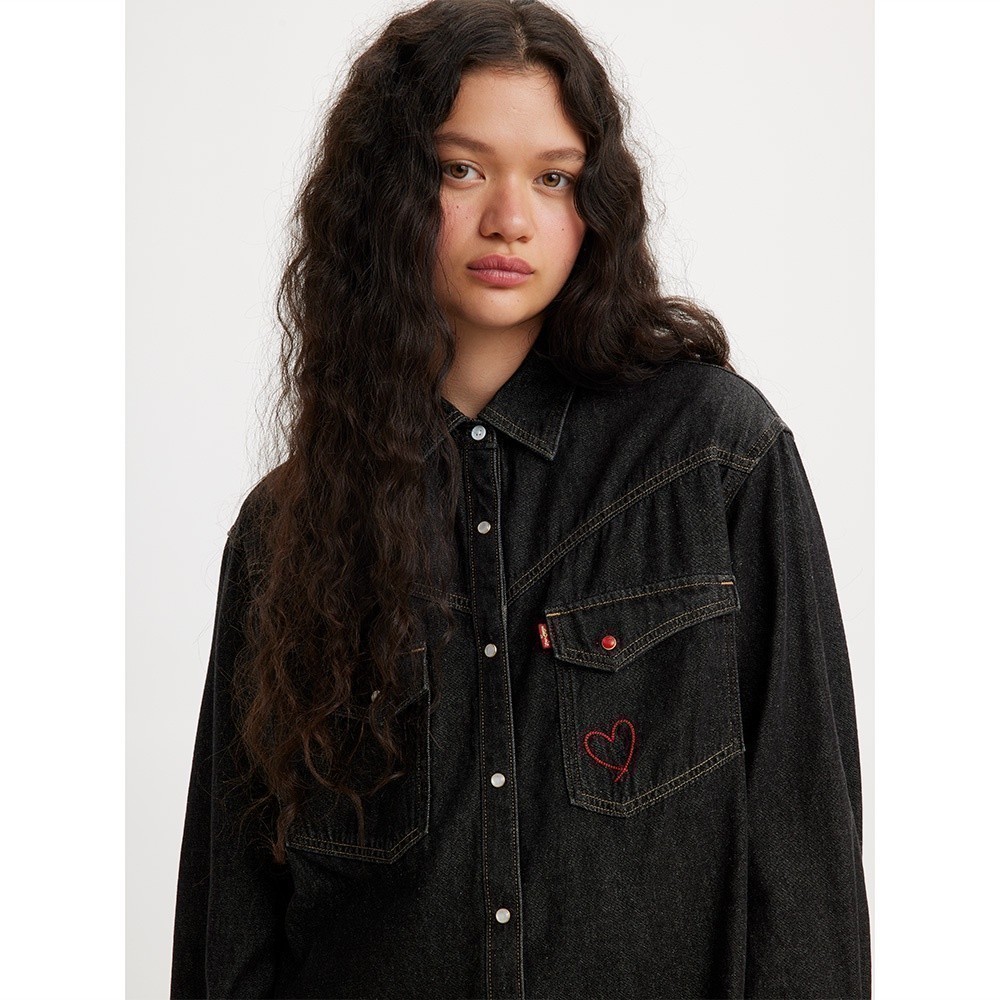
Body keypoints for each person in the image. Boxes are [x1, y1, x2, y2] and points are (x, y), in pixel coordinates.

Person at [169, 1, 871, 997]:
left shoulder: (714, 458)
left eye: (554, 177)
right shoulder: (285, 532)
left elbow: (805, 860)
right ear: (386, 192)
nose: (510, 217)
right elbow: (231, 925)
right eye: (461, 169)